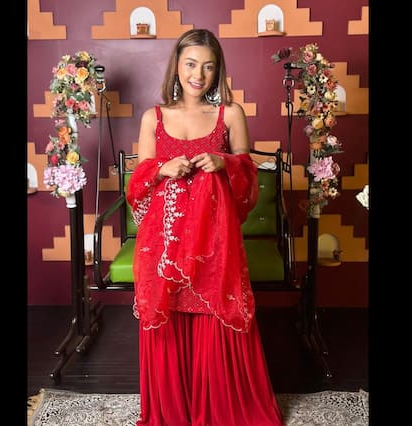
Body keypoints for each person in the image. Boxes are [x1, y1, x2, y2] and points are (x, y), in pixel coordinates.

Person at [126, 28, 284, 426]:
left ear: (218, 71)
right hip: (165, 240)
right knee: (170, 312)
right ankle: (173, 408)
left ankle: (221, 406)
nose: (199, 75)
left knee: (216, 309)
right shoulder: (153, 117)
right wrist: (162, 168)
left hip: (214, 237)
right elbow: (138, 181)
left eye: (209, 67)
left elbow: (248, 176)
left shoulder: (230, 114)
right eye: (191, 64)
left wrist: (223, 162)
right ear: (177, 66)